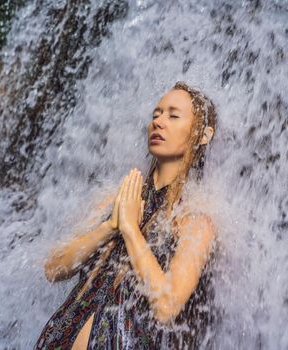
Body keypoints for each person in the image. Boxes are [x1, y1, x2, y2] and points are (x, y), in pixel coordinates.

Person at [35, 81, 220, 349]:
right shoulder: (117, 198)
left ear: (203, 134)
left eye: (173, 115)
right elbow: (53, 268)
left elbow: (166, 306)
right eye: (156, 114)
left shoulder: (194, 220)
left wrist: (131, 230)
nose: (158, 122)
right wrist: (110, 227)